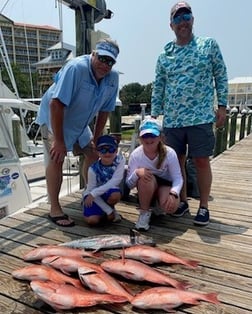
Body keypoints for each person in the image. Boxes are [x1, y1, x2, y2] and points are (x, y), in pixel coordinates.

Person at [151, 1, 228, 226]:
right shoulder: (165, 54)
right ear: (171, 25)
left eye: (186, 17)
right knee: (177, 162)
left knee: (201, 161)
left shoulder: (209, 45)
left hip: (201, 117)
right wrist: (155, 117)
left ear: (192, 20)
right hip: (173, 120)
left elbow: (220, 74)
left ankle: (203, 206)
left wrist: (222, 105)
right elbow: (159, 86)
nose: (182, 22)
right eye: (177, 18)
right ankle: (183, 201)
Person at [36, 38, 120, 227]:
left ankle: (89, 194)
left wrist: (97, 138)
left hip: (80, 122)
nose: (105, 65)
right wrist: (58, 141)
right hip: (55, 116)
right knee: (57, 157)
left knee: (92, 153)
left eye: (110, 61)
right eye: (102, 58)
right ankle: (55, 209)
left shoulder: (113, 78)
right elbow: (55, 104)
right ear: (93, 54)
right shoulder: (75, 68)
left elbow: (105, 110)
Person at [126, 118, 183, 231]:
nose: (149, 139)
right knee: (145, 179)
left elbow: (178, 178)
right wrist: (137, 173)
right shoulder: (135, 155)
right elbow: (129, 184)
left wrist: (174, 194)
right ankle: (144, 213)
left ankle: (157, 204)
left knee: (170, 208)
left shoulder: (170, 153)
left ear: (160, 137)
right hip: (147, 186)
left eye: (153, 135)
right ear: (140, 138)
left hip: (165, 186)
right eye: (145, 136)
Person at [82, 134, 125, 226]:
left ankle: (109, 210)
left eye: (111, 149)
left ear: (116, 150)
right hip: (92, 195)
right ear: (98, 152)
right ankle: (107, 211)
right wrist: (108, 211)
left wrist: (94, 193)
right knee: (92, 221)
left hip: (102, 192)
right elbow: (90, 191)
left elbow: (116, 180)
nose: (107, 153)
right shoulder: (92, 169)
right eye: (103, 150)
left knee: (115, 195)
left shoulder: (120, 160)